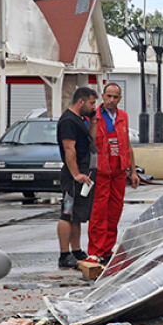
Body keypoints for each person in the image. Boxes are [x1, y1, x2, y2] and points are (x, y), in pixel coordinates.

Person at [87, 83, 138, 263]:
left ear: (120, 99)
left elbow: (127, 146)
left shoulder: (123, 117)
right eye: (108, 96)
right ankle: (95, 250)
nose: (111, 100)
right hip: (101, 171)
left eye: (115, 97)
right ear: (103, 96)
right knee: (99, 212)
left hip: (118, 172)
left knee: (115, 211)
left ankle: (107, 249)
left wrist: (133, 171)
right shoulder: (95, 117)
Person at [57, 86, 97, 269]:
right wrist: (76, 174)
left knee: (77, 215)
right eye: (91, 103)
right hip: (75, 175)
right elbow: (69, 149)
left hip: (84, 173)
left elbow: (91, 141)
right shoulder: (68, 121)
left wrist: (93, 121)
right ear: (81, 101)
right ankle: (64, 254)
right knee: (67, 213)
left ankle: (76, 250)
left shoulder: (80, 120)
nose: (93, 106)